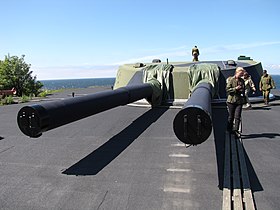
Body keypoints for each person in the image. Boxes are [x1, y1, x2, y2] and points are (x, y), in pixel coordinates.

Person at [226, 67, 246, 133]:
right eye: (241, 73)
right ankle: (229, 129)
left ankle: (236, 130)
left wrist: (242, 90)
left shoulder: (242, 81)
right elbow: (228, 90)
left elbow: (244, 90)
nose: (242, 75)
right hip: (231, 100)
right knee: (231, 116)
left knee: (237, 116)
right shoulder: (231, 80)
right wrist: (235, 89)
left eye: (242, 74)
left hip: (239, 100)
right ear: (237, 72)